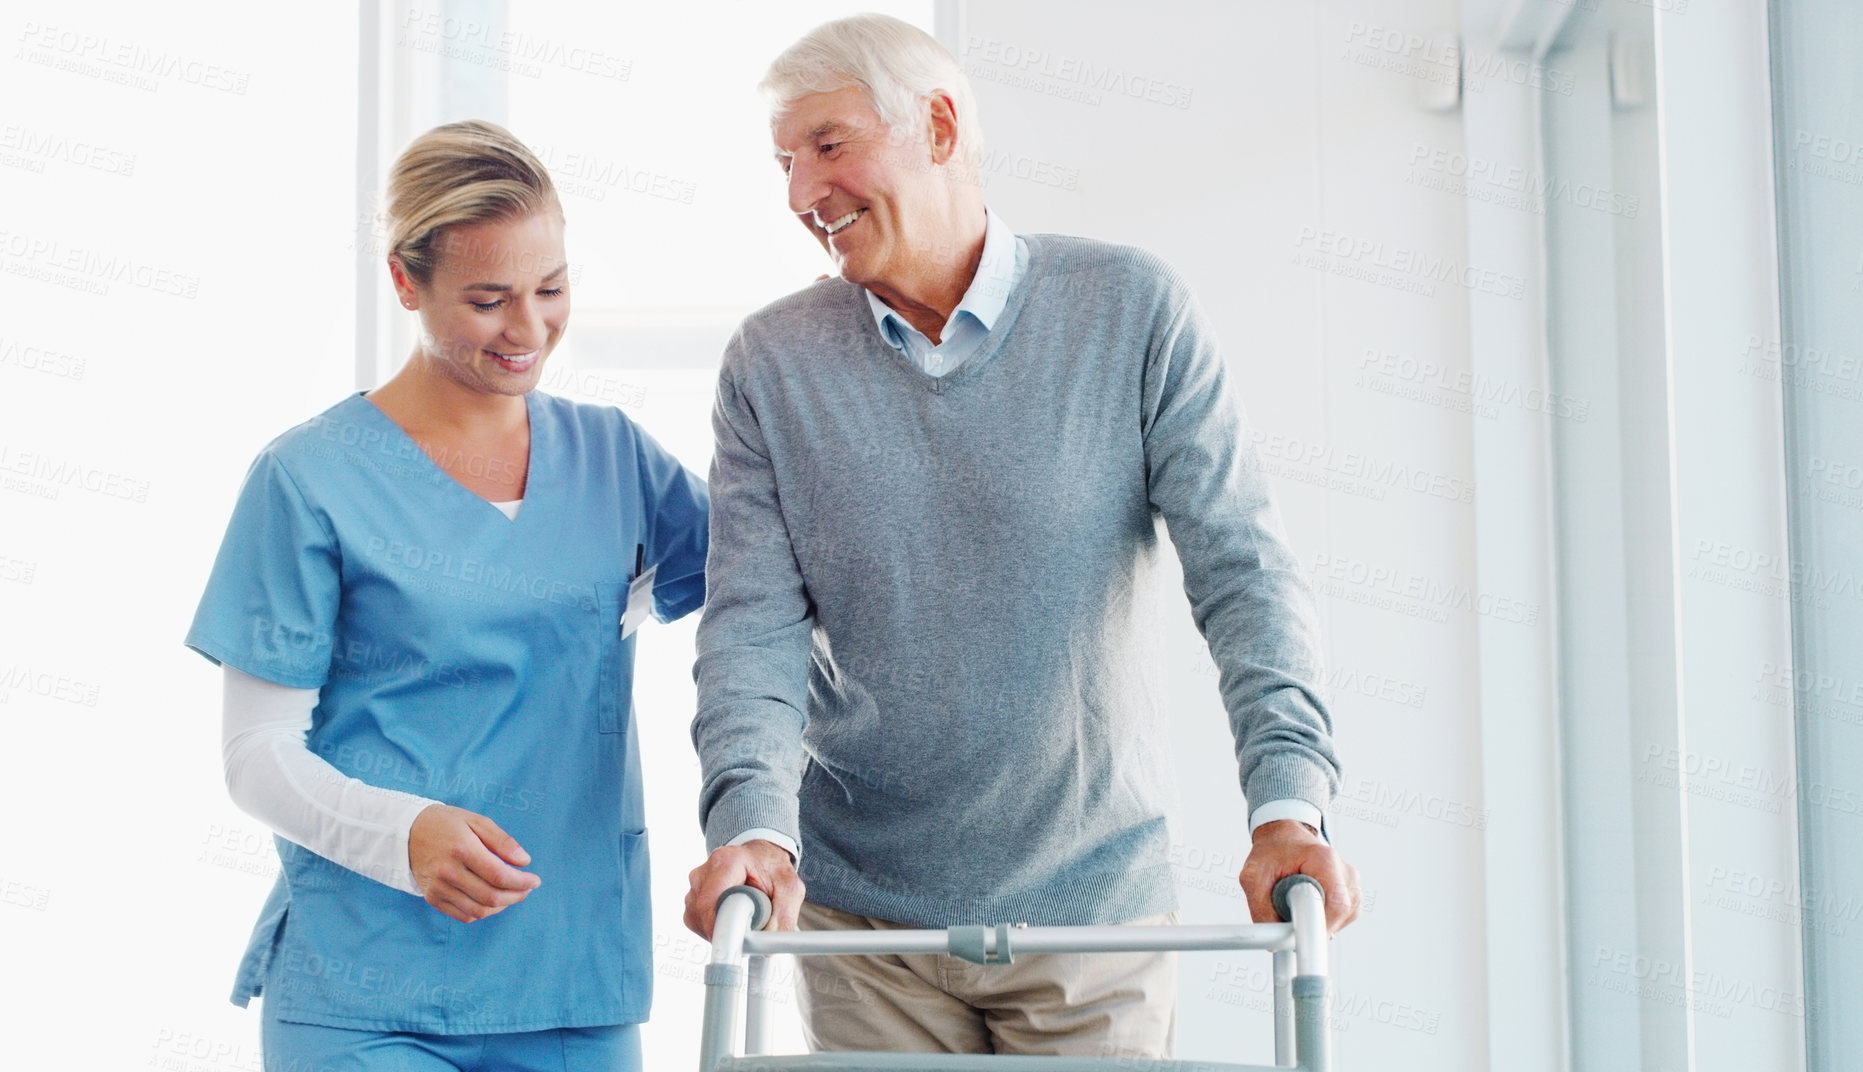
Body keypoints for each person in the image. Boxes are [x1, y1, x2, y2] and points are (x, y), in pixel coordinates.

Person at [682, 13, 1362, 1060]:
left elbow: (1245, 575)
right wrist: (751, 828)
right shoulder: (773, 366)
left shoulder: (1130, 312)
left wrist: (1290, 804)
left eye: (827, 146)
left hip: (1090, 914)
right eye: (784, 162)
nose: (800, 193)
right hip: (865, 928)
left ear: (942, 127)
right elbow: (752, 636)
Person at [185, 119, 708, 1071]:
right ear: (403, 282)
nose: (528, 328)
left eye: (551, 290)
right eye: (487, 299)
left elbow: (779, 595)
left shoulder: (618, 459)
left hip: (568, 976)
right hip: (365, 985)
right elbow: (253, 755)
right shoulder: (308, 479)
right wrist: (405, 833)